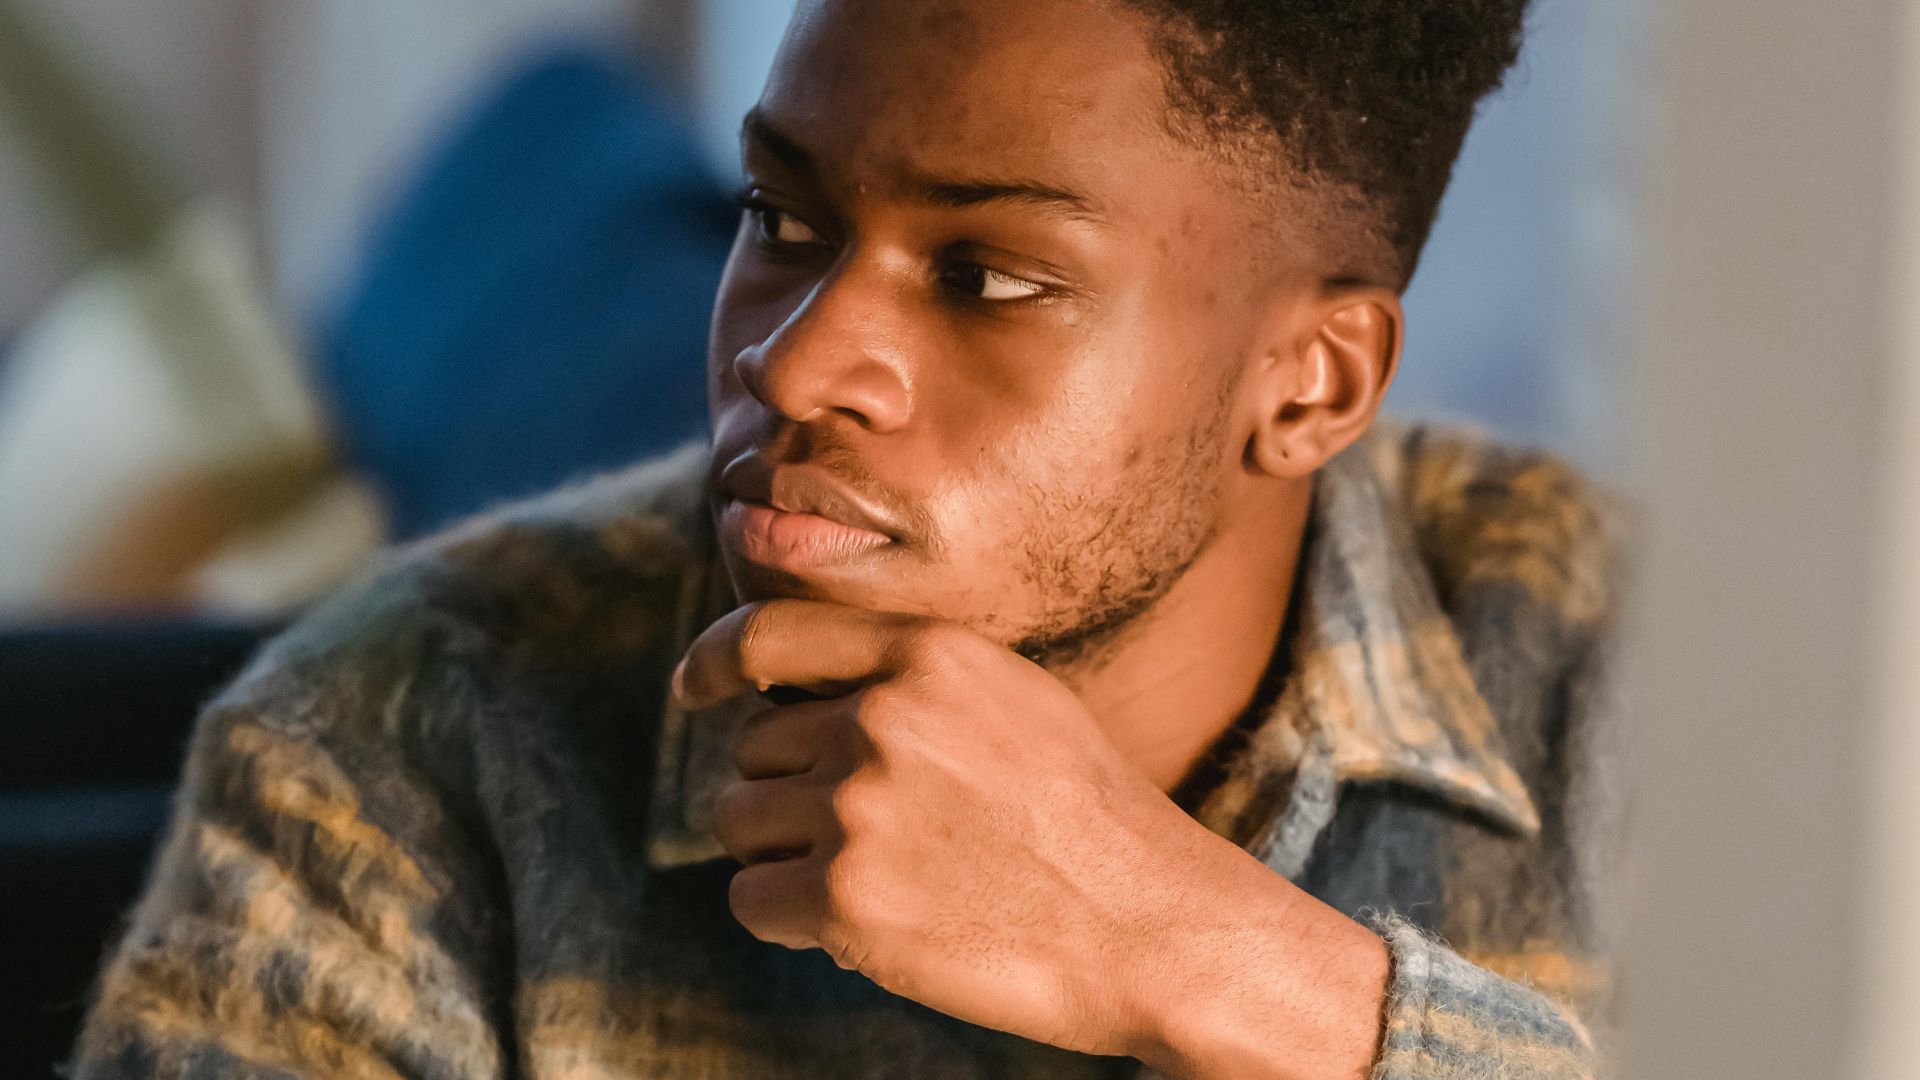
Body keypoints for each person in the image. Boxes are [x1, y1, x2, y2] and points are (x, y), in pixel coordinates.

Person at [71, 1, 1623, 1077]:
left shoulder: (1650, 683)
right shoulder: (398, 745)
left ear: (1312, 383)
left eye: (989, 277)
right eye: (784, 219)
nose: (794, 365)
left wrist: (1214, 965)